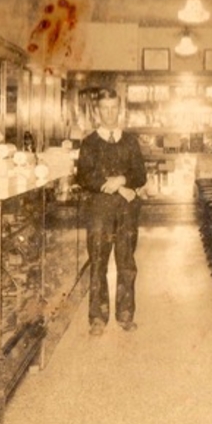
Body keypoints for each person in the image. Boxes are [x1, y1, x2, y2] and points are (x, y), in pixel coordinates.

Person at [76, 89, 147, 336]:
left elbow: (140, 174)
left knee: (127, 263)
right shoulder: (89, 142)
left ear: (120, 109)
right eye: (104, 109)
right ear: (97, 112)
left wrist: (122, 179)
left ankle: (126, 314)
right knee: (98, 262)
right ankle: (97, 317)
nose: (109, 113)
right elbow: (84, 177)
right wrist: (120, 187)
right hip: (99, 210)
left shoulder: (130, 141)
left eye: (113, 108)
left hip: (127, 211)